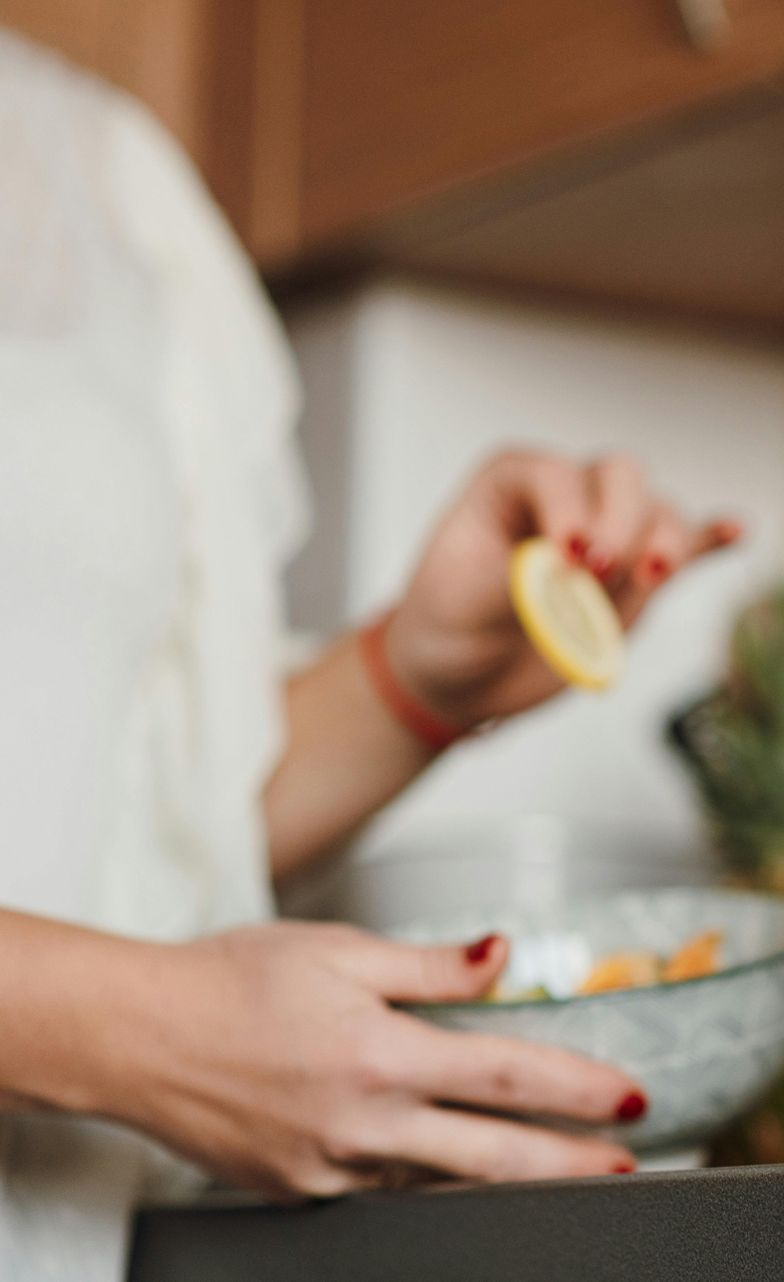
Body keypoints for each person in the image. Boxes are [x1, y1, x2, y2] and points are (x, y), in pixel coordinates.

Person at [0, 28, 737, 1278]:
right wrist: (130, 1027)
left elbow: (122, 840)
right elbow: (118, 986)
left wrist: (411, 684)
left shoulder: (99, 169)